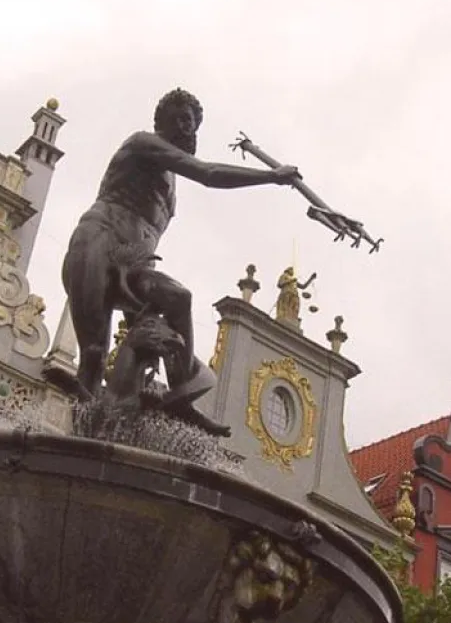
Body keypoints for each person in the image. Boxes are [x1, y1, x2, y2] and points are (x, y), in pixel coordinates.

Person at [61, 88, 299, 404]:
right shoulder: (142, 142)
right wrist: (271, 176)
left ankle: (181, 388)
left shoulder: (170, 180)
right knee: (93, 353)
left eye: (194, 124)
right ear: (164, 120)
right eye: (184, 119)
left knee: (177, 298)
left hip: (136, 262)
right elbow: (208, 173)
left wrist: (138, 326)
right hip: (97, 242)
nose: (189, 128)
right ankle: (83, 429)